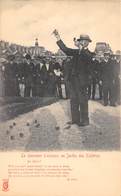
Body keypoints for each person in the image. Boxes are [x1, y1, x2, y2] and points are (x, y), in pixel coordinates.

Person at [53, 30, 94, 126]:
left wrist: (81, 49)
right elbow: (66, 50)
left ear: (88, 43)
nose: (82, 42)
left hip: (82, 82)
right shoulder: (76, 52)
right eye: (81, 41)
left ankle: (85, 120)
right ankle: (75, 119)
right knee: (74, 100)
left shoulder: (89, 53)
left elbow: (87, 58)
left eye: (84, 41)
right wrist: (58, 38)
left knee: (82, 101)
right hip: (73, 81)